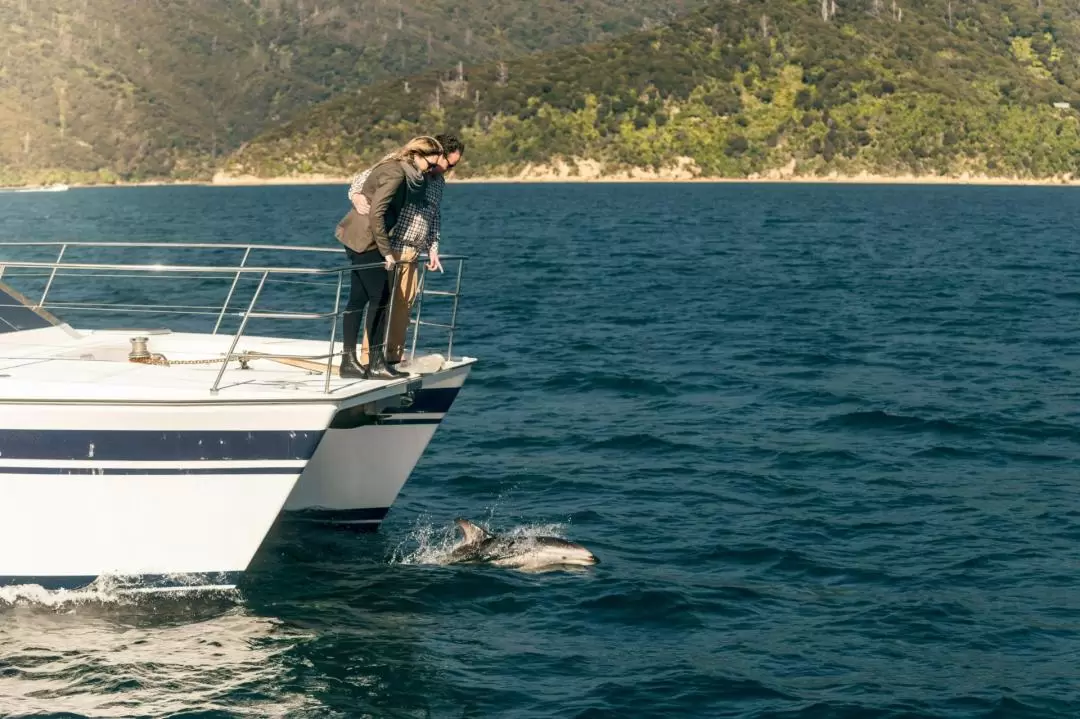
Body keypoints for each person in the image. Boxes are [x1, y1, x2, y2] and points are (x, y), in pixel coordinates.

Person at [334, 136, 448, 379]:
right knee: (381, 298)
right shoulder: (397, 173)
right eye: (430, 163)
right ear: (417, 155)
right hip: (366, 240)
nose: (431, 169)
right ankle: (374, 363)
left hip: (361, 237)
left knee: (359, 298)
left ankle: (349, 362)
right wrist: (387, 252)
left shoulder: (407, 173)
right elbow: (377, 214)